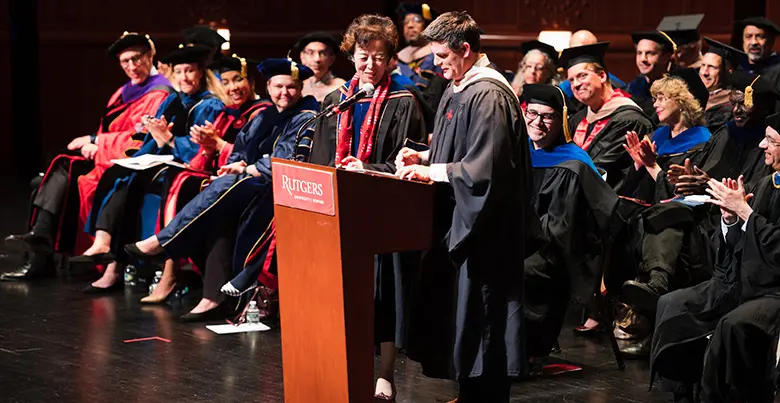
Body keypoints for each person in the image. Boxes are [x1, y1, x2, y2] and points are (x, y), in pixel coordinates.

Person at [396, 11, 533, 402]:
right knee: (467, 313)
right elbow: (459, 151)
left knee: (484, 313)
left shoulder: (487, 93)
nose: (436, 66)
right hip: (465, 220)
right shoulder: (462, 87)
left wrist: (432, 171)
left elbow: (484, 168)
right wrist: (424, 158)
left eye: (441, 57)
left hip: (486, 229)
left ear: (466, 50)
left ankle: (484, 396)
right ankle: (471, 392)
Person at [127, 58, 319, 321]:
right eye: (278, 87)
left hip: (279, 188)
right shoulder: (263, 116)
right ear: (268, 86)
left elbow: (286, 160)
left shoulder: (306, 116)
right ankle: (211, 297)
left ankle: (163, 241)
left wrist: (248, 169)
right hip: (250, 182)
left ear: (300, 88)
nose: (284, 93)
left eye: (291, 87)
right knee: (215, 210)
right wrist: (236, 163)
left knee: (226, 186)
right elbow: (239, 150)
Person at [308, 14, 425, 400]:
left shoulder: (404, 101)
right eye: (363, 55)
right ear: (351, 55)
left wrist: (366, 168)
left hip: (382, 211)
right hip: (338, 211)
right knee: (341, 293)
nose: (370, 64)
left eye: (379, 56)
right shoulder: (334, 102)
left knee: (384, 296)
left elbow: (411, 160)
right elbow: (321, 158)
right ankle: (341, 361)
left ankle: (385, 373)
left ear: (391, 58)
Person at [1, 32, 174, 282]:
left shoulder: (159, 93)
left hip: (130, 164)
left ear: (150, 56)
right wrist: (96, 140)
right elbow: (112, 130)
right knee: (49, 177)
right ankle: (40, 250)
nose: (132, 66)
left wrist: (97, 142)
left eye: (137, 58)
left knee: (63, 171)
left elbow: (142, 139)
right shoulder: (124, 91)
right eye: (125, 62)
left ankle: (41, 249)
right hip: (107, 157)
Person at [73, 44, 225, 293]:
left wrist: (168, 140)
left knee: (132, 184)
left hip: (191, 169)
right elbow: (151, 142)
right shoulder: (174, 101)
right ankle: (105, 245)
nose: (184, 78)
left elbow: (200, 153)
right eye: (179, 72)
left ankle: (116, 264)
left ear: (201, 73)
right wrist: (138, 155)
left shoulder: (209, 106)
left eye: (190, 71)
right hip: (163, 162)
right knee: (119, 174)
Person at [650, 112, 780, 403]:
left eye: (771, 140)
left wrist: (745, 213)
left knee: (733, 325)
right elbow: (737, 245)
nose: (761, 145)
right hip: (742, 278)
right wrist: (730, 219)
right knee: (672, 303)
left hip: (773, 291)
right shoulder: (766, 183)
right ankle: (682, 394)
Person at [140, 54, 272, 308]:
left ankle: (174, 268)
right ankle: (174, 269)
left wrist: (217, 145)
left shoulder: (262, 114)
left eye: (238, 79)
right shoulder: (226, 113)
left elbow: (254, 159)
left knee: (188, 187)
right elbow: (201, 159)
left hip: (251, 184)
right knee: (178, 179)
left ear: (252, 82)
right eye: (226, 82)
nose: (233, 87)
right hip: (220, 177)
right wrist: (207, 148)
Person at [521, 83, 618, 359]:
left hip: (555, 253)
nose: (537, 122)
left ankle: (528, 348)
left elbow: (561, 230)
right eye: (532, 113)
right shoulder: (519, 152)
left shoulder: (573, 164)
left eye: (547, 116)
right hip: (522, 241)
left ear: (561, 120)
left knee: (512, 270)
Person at [562, 42, 654, 189]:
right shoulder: (577, 119)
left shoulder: (629, 120)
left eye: (582, 76)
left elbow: (603, 167)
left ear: (602, 76)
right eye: (571, 80)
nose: (576, 84)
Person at [559, 31, 626, 100]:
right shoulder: (564, 90)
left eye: (583, 75)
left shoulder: (618, 88)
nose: (579, 57)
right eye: (574, 51)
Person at [628, 31, 675, 122]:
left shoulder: (676, 88)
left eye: (650, 53)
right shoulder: (632, 88)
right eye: (639, 53)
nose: (643, 59)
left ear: (666, 56)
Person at [699, 37, 743, 132]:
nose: (704, 72)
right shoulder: (691, 95)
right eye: (703, 65)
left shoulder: (732, 105)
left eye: (712, 67)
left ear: (728, 72)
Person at [291, 31, 346, 102]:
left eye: (323, 53)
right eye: (310, 53)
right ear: (302, 57)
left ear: (331, 59)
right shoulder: (297, 87)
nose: (317, 59)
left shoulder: (341, 87)